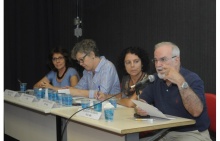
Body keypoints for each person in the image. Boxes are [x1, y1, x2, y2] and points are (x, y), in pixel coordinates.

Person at [136, 42, 211, 141]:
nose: (158, 65)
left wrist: (180, 82)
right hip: (163, 132)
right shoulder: (155, 79)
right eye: (155, 60)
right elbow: (143, 100)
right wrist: (140, 107)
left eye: (163, 59)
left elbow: (196, 112)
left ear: (176, 60)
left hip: (191, 133)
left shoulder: (193, 79)